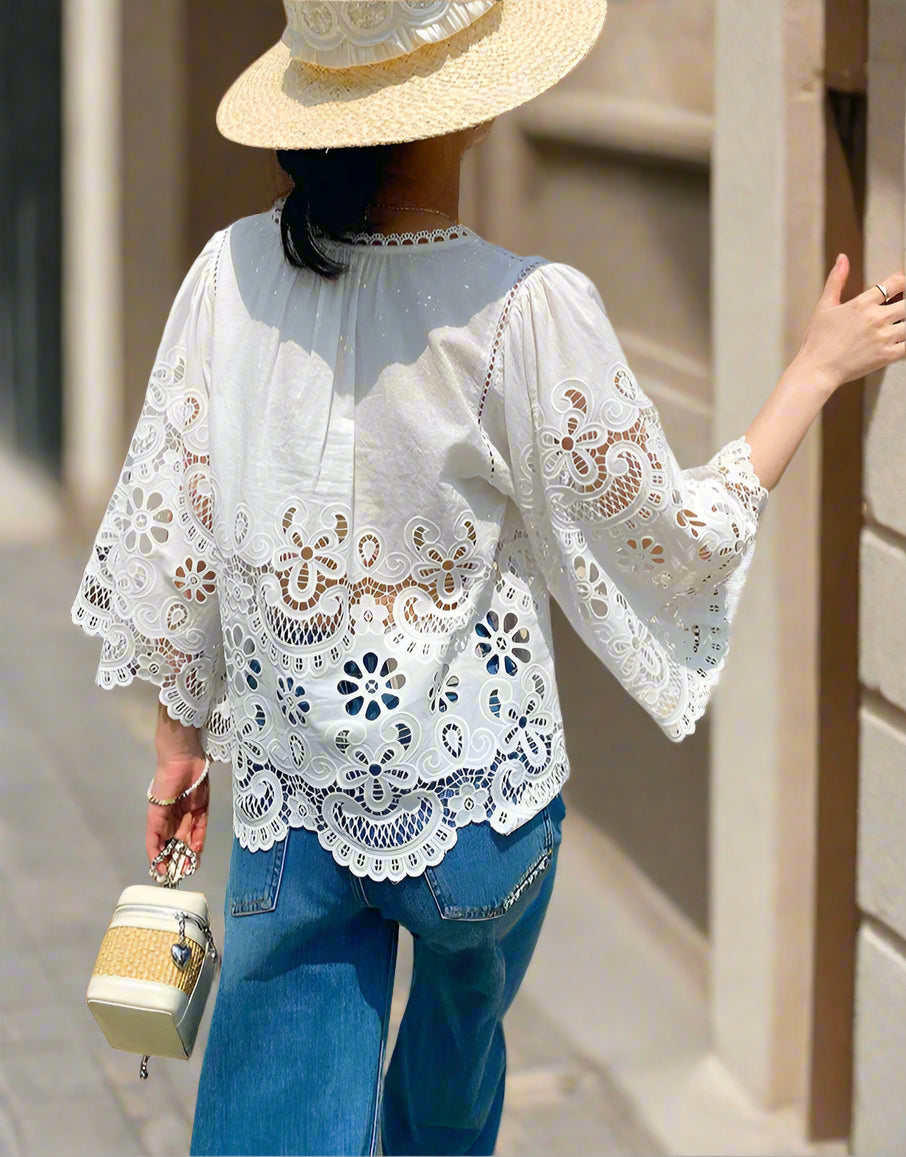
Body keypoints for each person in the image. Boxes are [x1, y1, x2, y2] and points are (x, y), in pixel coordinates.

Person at [69, 2, 905, 1154]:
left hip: (293, 810)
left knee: (275, 1109)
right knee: (458, 1051)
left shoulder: (230, 277)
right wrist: (814, 369)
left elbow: (179, 534)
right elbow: (670, 533)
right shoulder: (524, 307)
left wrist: (178, 741)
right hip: (477, 818)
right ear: (463, 110)